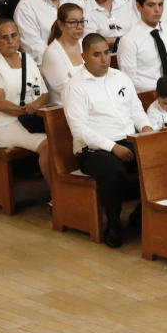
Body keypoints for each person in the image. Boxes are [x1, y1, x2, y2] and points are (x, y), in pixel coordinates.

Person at [64, 33, 153, 248]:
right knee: (113, 171)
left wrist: (147, 129)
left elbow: (136, 110)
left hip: (128, 139)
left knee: (159, 162)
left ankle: (140, 215)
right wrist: (113, 147)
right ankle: (113, 223)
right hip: (94, 149)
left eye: (106, 53)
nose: (104, 59)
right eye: (97, 55)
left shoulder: (120, 77)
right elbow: (79, 130)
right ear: (84, 56)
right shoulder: (75, 86)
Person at [0, 19, 50, 183]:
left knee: (66, 137)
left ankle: (71, 192)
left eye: (13, 36)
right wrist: (26, 110)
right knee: (47, 145)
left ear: (19, 37)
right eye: (4, 37)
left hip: (30, 120)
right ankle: (58, 197)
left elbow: (44, 93)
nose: (10, 41)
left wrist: (35, 106)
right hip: (5, 125)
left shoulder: (27, 59)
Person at [117, 0, 167, 92]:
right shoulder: (128, 40)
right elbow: (129, 80)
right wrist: (162, 90)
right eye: (151, 5)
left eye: (160, 4)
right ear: (139, 6)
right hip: (147, 95)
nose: (157, 10)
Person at [40, 1, 84, 105]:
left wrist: (78, 79)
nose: (79, 26)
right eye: (73, 22)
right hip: (65, 110)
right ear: (61, 25)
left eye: (82, 21)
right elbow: (68, 90)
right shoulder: (52, 53)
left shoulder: (85, 44)